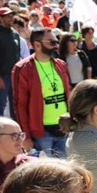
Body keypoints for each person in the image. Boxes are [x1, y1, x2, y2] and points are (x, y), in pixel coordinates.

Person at [12, 28, 71, 157]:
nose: (56, 46)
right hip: (41, 132)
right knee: (46, 174)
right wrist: (25, 136)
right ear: (37, 44)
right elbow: (20, 104)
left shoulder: (61, 65)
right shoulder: (23, 68)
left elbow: (69, 94)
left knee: (64, 173)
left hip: (64, 129)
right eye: (52, 42)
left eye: (57, 42)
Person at [0, 7, 20, 117]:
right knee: (0, 104)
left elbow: (17, 54)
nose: (11, 18)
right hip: (2, 76)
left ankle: (14, 128)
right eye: (7, 16)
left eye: (11, 15)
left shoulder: (15, 33)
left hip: (15, 75)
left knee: (15, 104)